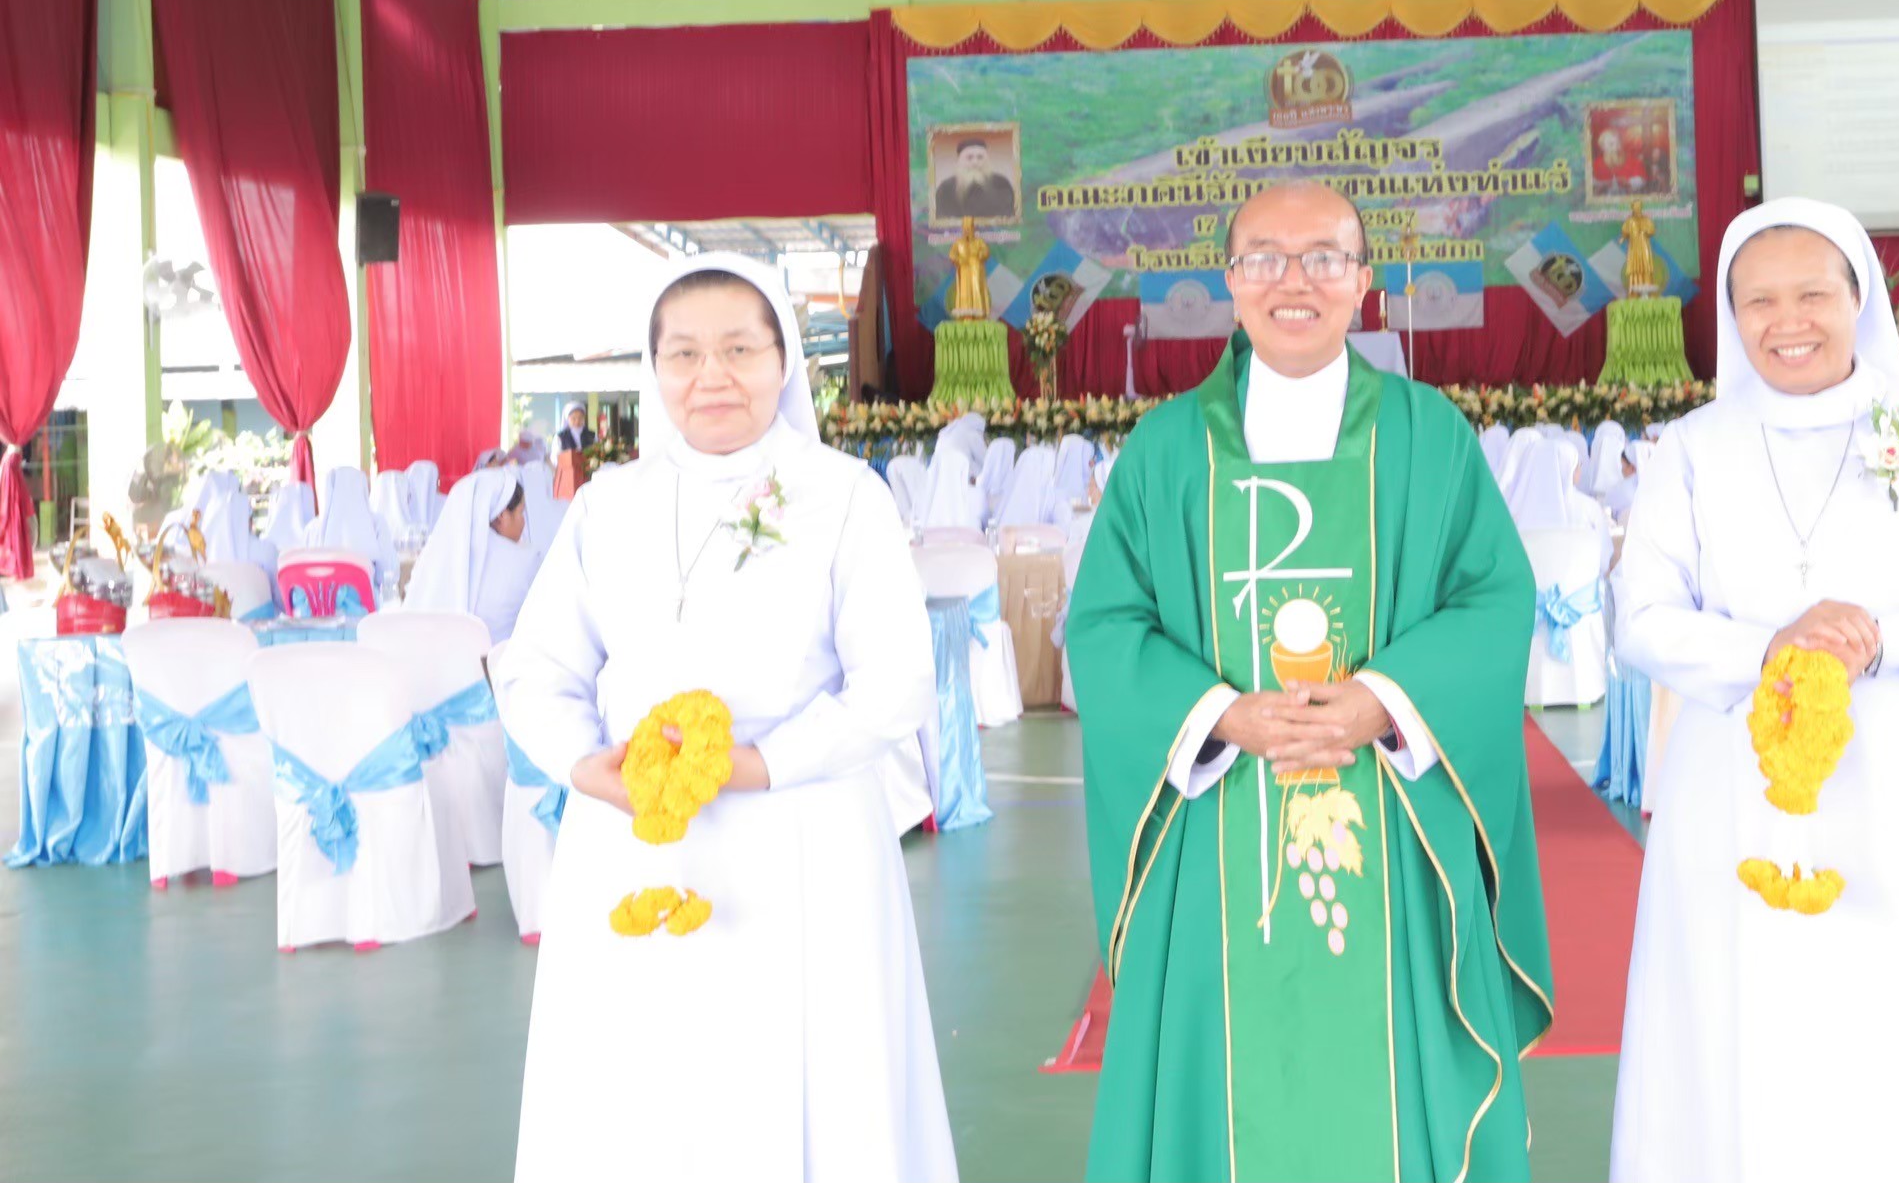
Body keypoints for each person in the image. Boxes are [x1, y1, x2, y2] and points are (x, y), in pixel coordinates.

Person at [1067, 180, 1554, 1183]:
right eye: (1265, 258)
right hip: (1216, 831)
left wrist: (1387, 700)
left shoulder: (1426, 436)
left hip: (1391, 827)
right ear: (1230, 279)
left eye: (1324, 257)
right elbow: (1108, 625)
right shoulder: (1166, 451)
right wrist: (1220, 715)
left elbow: (1494, 599)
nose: (1295, 282)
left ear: (1362, 280)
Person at [1609, 197, 1899, 1183]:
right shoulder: (1691, 446)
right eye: (1758, 300)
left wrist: (1877, 642)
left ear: (1857, 299)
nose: (1787, 321)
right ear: (1731, 315)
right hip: (1739, 790)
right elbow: (1642, 618)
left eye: (1812, 294)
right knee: (1752, 1016)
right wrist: (1771, 649)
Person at [494, 253, 955, 1182]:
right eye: (685, 353)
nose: (713, 376)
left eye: (740, 349)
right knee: (643, 1086)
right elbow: (537, 666)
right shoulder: (608, 504)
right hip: (633, 829)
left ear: (784, 361)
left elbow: (896, 681)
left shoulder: (842, 495)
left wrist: (758, 765)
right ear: (654, 367)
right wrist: (584, 765)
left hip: (800, 832)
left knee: (797, 1070)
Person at [402, 465, 542, 644]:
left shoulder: (432, 558)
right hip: (501, 659)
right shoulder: (528, 560)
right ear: (501, 516)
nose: (523, 522)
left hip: (438, 657)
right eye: (521, 512)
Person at [934, 134, 1017, 221]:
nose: (975, 162)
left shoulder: (1001, 183)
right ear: (959, 160)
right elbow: (941, 219)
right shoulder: (945, 188)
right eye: (969, 158)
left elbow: (1010, 216)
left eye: (980, 157)